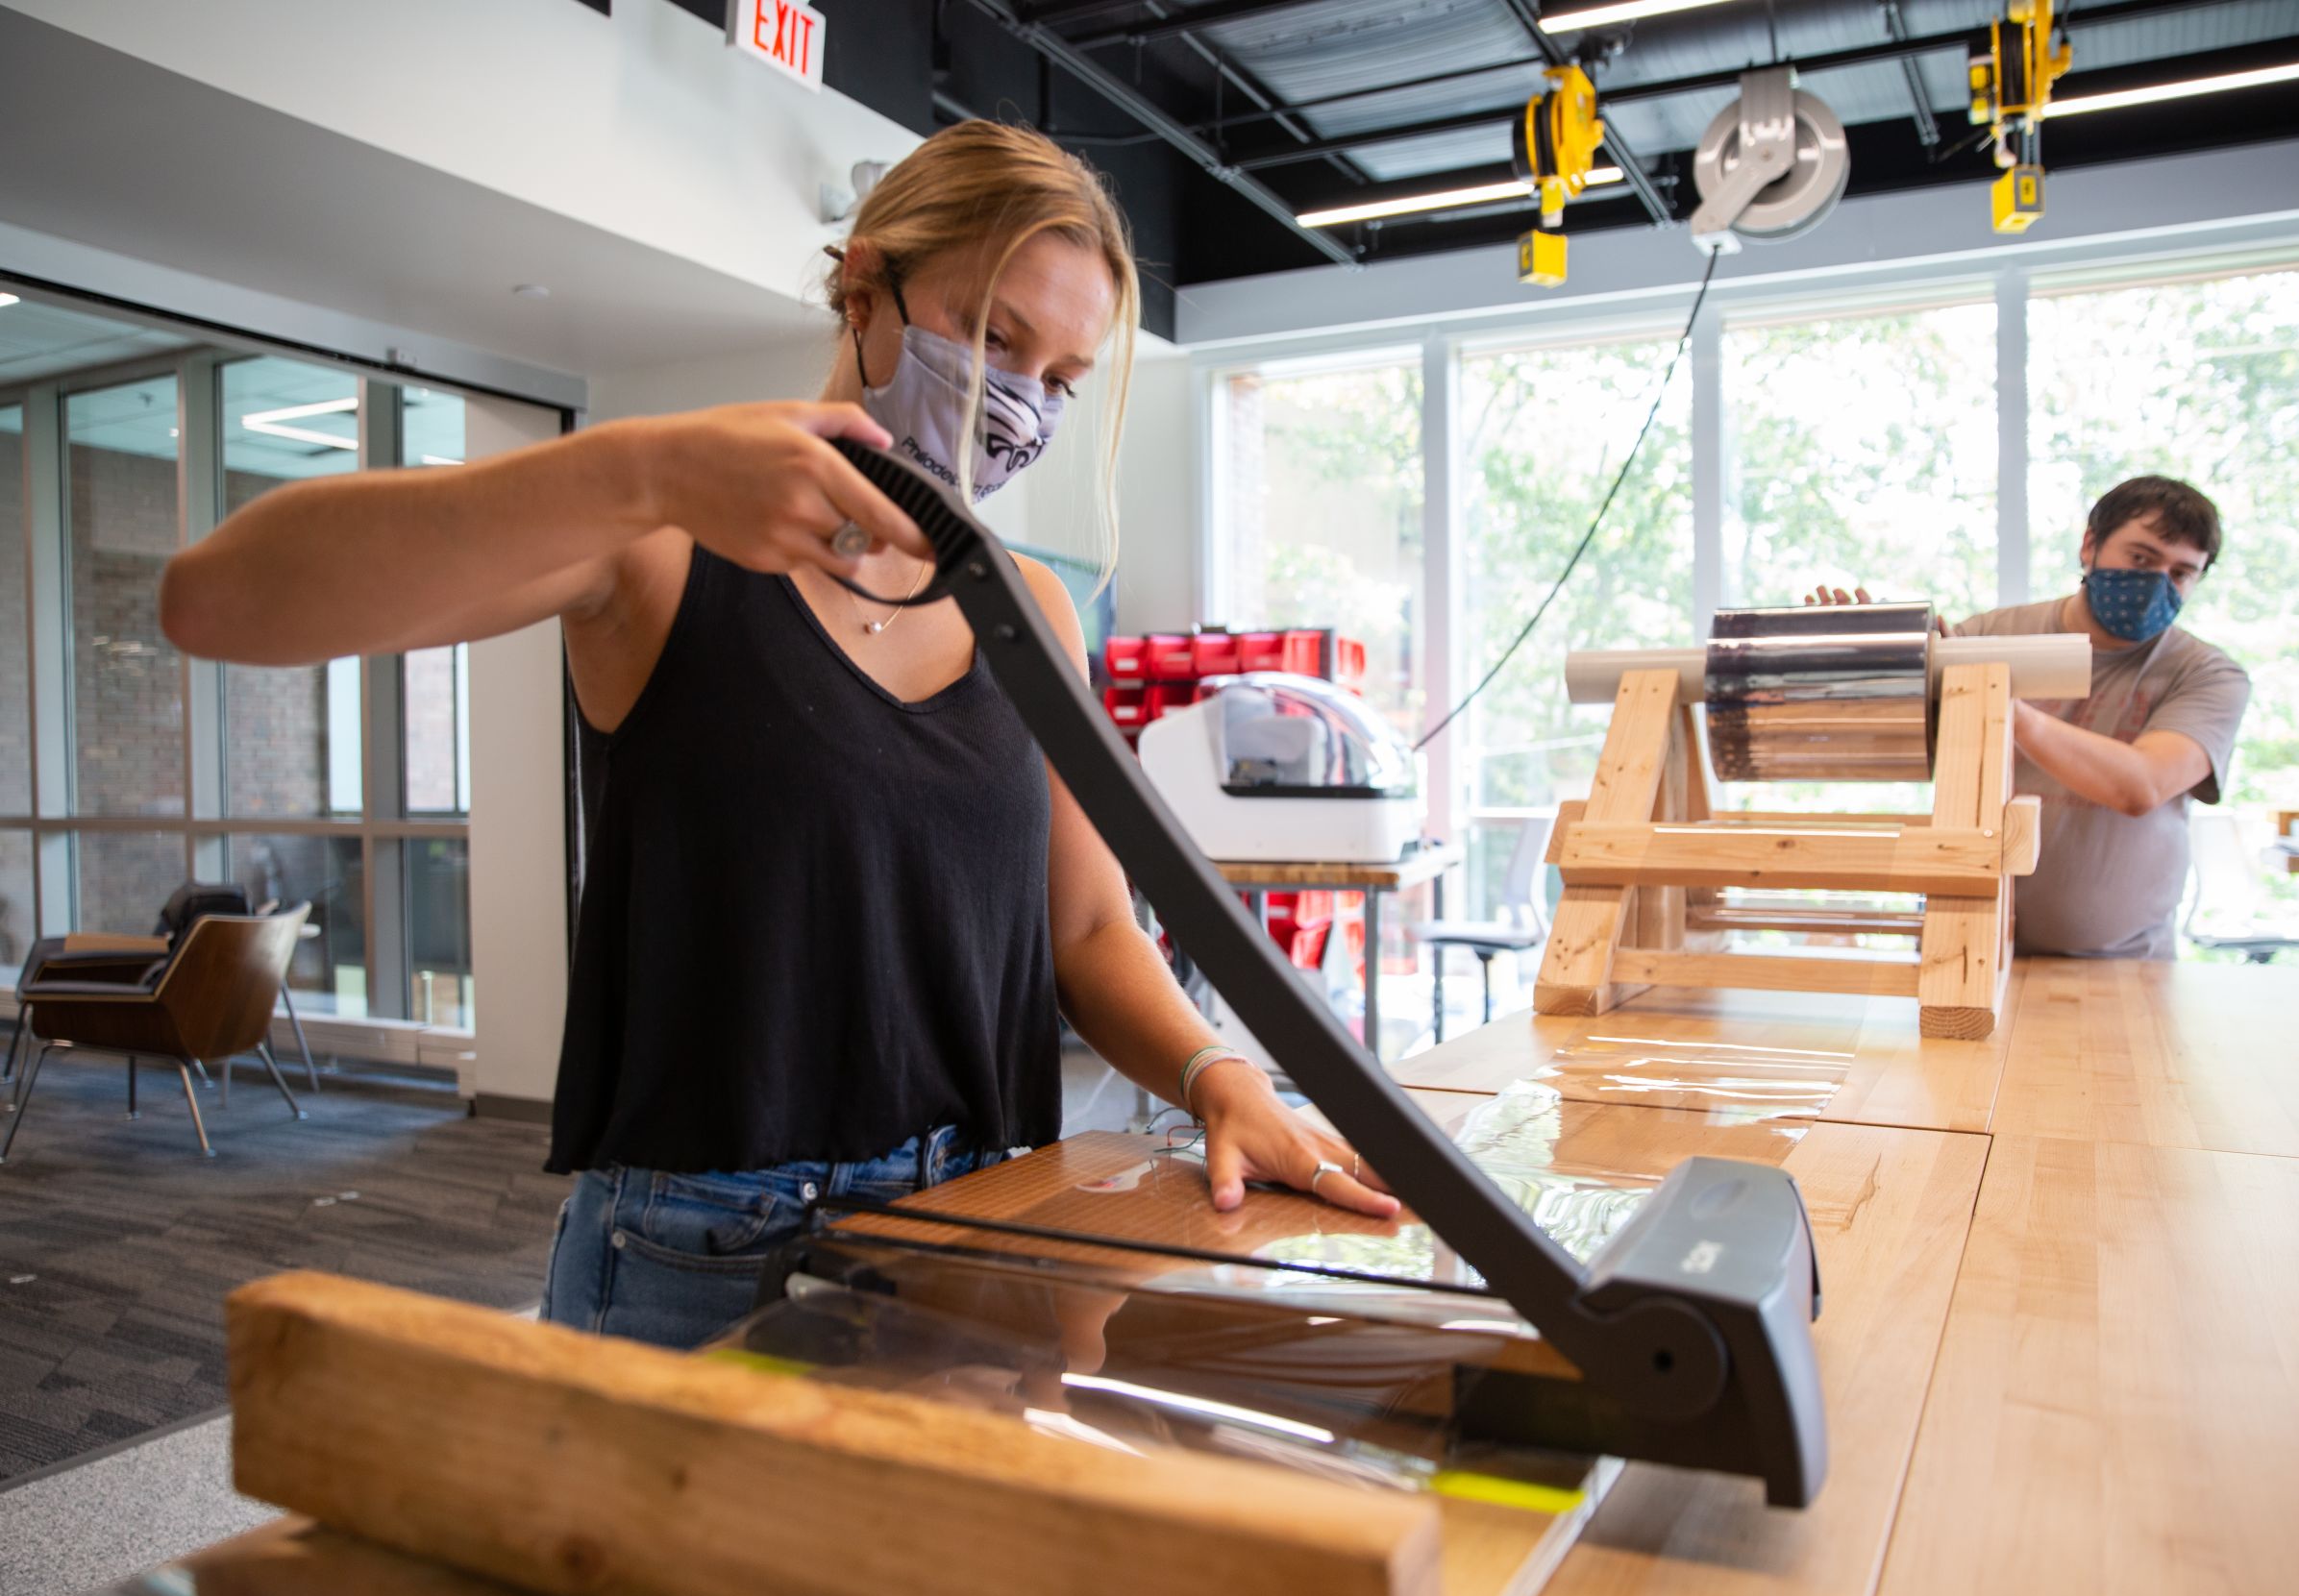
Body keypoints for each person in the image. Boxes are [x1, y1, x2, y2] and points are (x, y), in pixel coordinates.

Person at [158, 121, 1397, 1351]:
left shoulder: (1031, 609)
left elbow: (1084, 927)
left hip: (968, 1217)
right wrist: (637, 471)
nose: (1020, 399)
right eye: (993, 337)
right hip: (699, 1244)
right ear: (864, 286)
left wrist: (1213, 1075)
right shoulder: (659, 549)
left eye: (1062, 377)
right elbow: (215, 600)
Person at [1809, 475, 2249, 959]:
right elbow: (1876, 738)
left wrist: (2002, 702)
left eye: (2181, 573)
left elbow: (2139, 786)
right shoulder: (1990, 637)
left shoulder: (2207, 674)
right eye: (2140, 559)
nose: (2156, 584)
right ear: (2090, 545)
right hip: (1962, 955)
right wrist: (1862, 657)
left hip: (2122, 968)